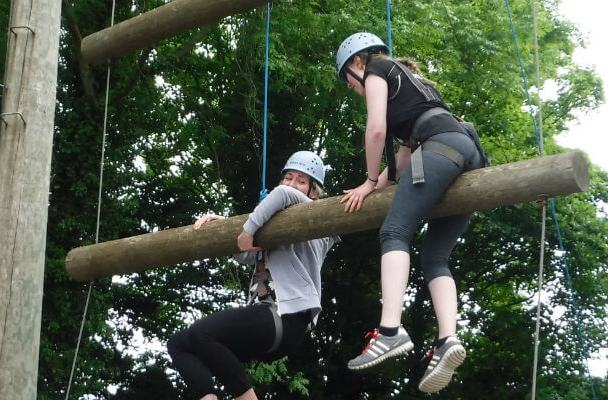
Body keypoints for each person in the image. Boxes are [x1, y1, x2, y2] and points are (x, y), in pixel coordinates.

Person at [333, 32, 489, 393]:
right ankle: (448, 339)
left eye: (350, 84)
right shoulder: (414, 87)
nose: (355, 90)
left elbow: (376, 130)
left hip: (440, 148)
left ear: (357, 64)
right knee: (435, 256)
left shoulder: (376, 69)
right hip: (466, 150)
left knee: (394, 233)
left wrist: (370, 180)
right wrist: (379, 183)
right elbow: (403, 160)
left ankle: (390, 330)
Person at [167, 151, 340, 400]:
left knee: (202, 333)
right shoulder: (276, 229)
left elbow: (280, 196)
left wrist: (247, 230)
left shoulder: (315, 221)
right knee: (180, 343)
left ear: (313, 192)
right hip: (266, 322)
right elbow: (244, 253)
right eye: (288, 177)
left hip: (285, 317)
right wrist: (225, 227)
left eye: (301, 181)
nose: (291, 184)